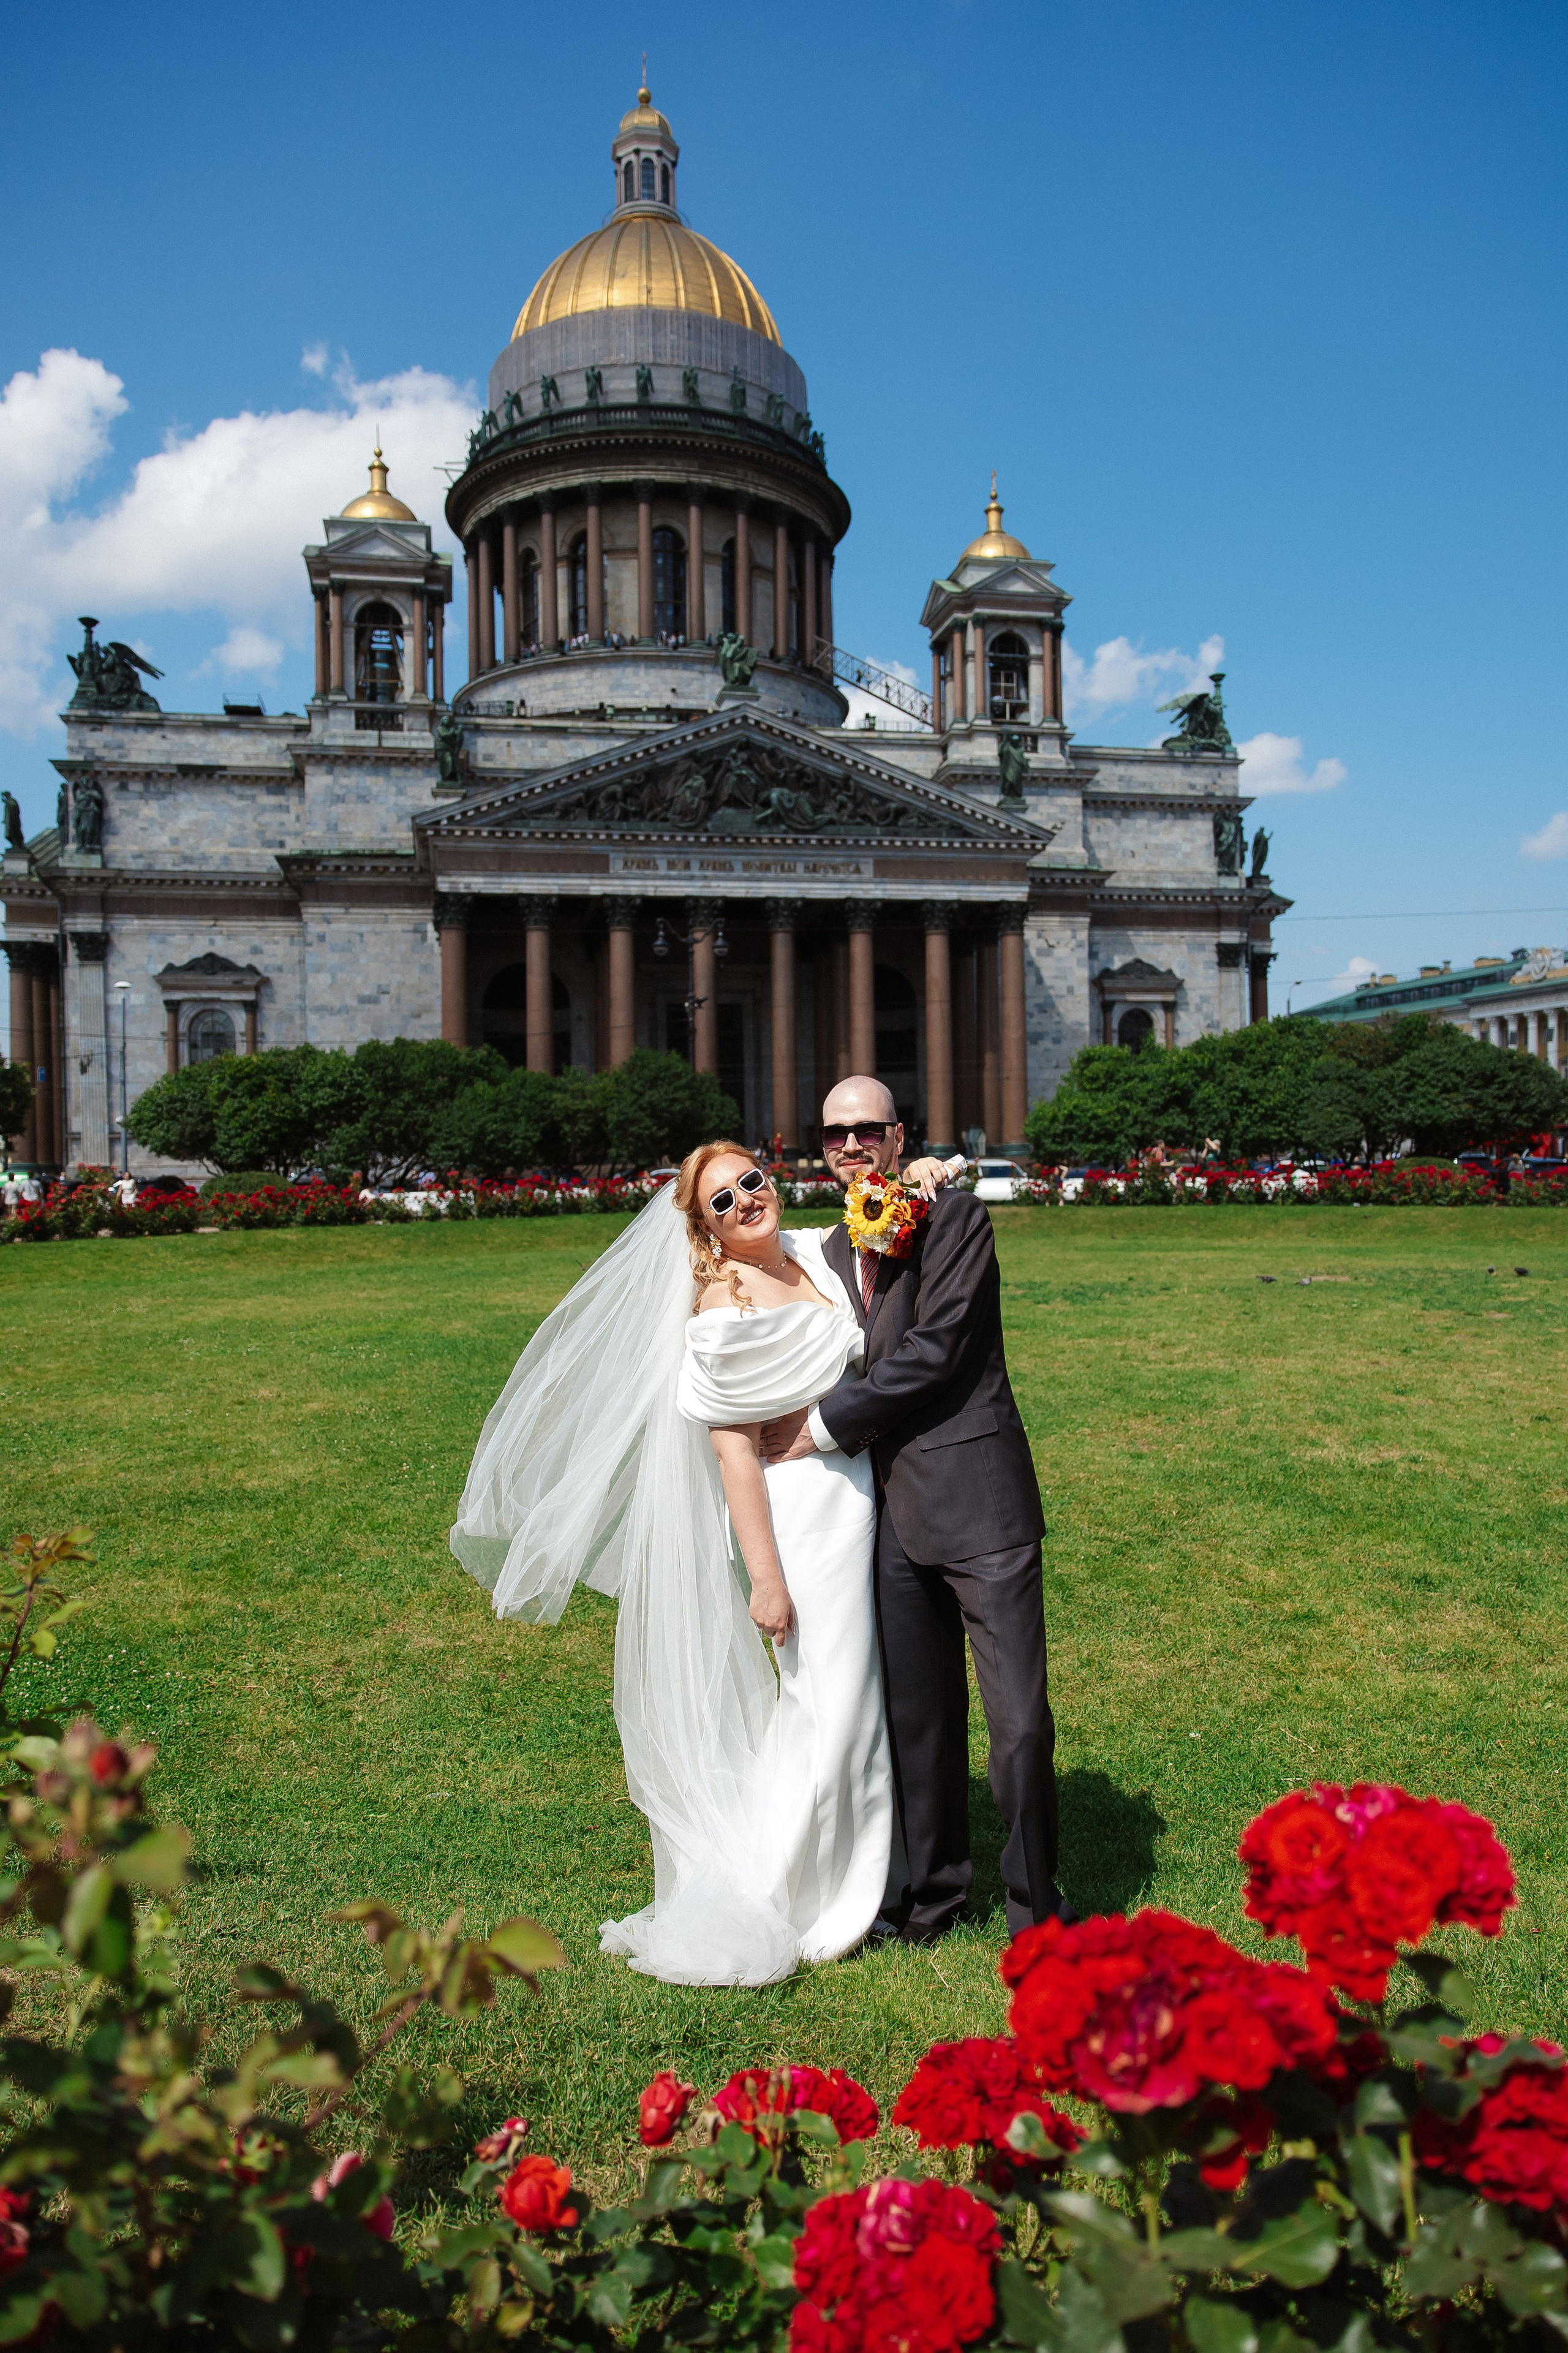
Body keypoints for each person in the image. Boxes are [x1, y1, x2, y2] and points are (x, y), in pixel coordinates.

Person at [450, 1133, 952, 1985]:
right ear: (703, 1225)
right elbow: (734, 1455)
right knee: (826, 1703)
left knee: (857, 1700)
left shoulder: (808, 1256)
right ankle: (786, 1892)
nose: (745, 1201)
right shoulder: (719, 1308)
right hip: (797, 1523)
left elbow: (880, 1216)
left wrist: (921, 1173)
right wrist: (766, 1577)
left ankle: (869, 1872)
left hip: (858, 1498)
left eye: (751, 1181)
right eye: (722, 1200)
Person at [761, 1075, 1067, 1943]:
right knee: (917, 1725)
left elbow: (935, 1350)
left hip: (982, 1502)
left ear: (900, 1137)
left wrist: (816, 1428)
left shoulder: (956, 1218)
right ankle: (933, 1899)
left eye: (867, 1130)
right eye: (833, 1135)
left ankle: (1038, 1911)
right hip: (891, 1515)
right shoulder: (822, 1249)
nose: (850, 1145)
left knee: (1019, 1727)